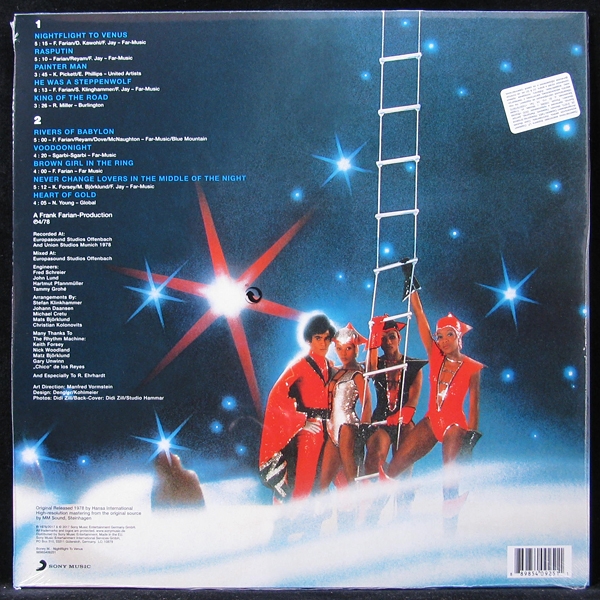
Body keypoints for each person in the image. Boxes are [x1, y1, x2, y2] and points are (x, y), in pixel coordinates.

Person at [386, 288, 483, 515]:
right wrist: (411, 288)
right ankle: (400, 495)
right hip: (432, 421)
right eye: (439, 336)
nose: (443, 340)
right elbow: (420, 315)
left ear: (459, 338)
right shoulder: (435, 356)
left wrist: (470, 441)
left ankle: (450, 529)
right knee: (393, 468)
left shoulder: (473, 367)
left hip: (455, 426)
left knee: (449, 483)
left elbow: (474, 406)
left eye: (449, 335)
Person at [259, 314, 336, 501]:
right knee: (304, 482)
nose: (323, 343)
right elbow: (276, 396)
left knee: (328, 479)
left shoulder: (331, 365)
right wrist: (302, 421)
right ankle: (294, 514)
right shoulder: (300, 365)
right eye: (318, 338)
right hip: (311, 431)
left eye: (327, 338)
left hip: (330, 429)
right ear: (309, 340)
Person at [363, 318, 427, 475]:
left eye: (392, 337)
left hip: (404, 420)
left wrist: (402, 416)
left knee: (404, 459)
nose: (388, 342)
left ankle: (402, 487)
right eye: (383, 339)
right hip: (381, 419)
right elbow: (370, 370)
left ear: (399, 338)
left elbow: (412, 403)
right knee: (374, 459)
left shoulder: (413, 366)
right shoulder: (376, 363)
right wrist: (374, 334)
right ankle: (383, 482)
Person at [319, 324, 371, 489]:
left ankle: (362, 500)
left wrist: (364, 429)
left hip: (348, 427)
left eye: (348, 348)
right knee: (323, 481)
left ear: (356, 349)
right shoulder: (335, 371)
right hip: (332, 430)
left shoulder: (357, 374)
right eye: (339, 348)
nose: (343, 353)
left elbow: (367, 402)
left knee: (351, 474)